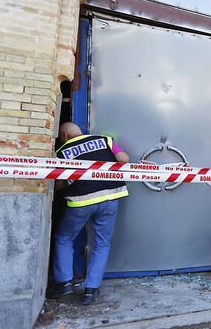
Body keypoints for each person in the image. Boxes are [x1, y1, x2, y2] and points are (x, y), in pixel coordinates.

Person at [47, 122, 129, 305]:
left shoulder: (62, 151)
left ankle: (65, 283)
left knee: (64, 238)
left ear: (64, 134)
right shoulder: (104, 140)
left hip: (81, 201)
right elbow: (124, 159)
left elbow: (60, 184)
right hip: (110, 197)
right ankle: (91, 290)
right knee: (102, 243)